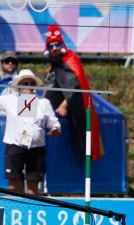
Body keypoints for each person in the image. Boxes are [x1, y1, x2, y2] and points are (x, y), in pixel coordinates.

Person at [0, 70, 60, 194]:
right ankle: (16, 210)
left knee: (33, 188)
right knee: (13, 186)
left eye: (31, 83)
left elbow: (54, 122)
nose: (28, 86)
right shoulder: (10, 100)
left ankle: (31, 211)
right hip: (15, 146)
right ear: (18, 86)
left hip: (36, 148)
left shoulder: (44, 103)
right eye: (24, 83)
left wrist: (55, 129)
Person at [43, 24, 103, 165]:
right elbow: (51, 86)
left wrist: (64, 105)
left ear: (62, 45)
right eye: (51, 46)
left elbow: (75, 88)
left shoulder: (70, 61)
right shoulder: (53, 65)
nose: (55, 48)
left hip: (67, 112)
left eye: (57, 44)